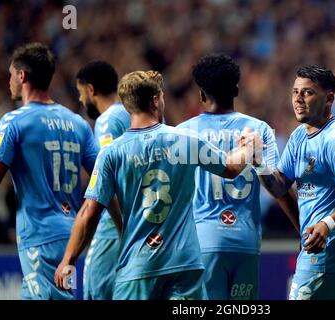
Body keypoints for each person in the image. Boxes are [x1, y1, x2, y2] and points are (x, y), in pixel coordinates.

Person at [54, 70, 262, 300]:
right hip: (185, 266)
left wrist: (68, 259)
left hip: (139, 266)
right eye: (161, 96)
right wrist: (248, 147)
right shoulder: (185, 140)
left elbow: (89, 212)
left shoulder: (112, 153)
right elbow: (231, 168)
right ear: (155, 100)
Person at [178, 53, 288, 300]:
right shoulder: (260, 130)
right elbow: (278, 189)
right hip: (245, 242)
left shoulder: (183, 133)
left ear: (202, 95)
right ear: (237, 90)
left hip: (202, 244)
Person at [256, 65, 335, 300]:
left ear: (329, 99)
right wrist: (258, 162)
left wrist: (325, 225)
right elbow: (279, 187)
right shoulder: (299, 136)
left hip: (327, 253)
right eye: (295, 92)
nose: (298, 99)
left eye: (307, 93)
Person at [0, 43, 99, 299]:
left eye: (11, 74)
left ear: (22, 76)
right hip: (71, 234)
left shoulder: (14, 121)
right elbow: (104, 176)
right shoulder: (78, 124)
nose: (9, 80)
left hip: (39, 237)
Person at [76, 61, 130, 300]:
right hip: (144, 218)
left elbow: (109, 179)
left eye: (80, 93)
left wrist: (122, 228)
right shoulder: (133, 113)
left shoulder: (107, 122)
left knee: (96, 290)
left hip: (115, 224)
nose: (80, 100)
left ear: (90, 89)